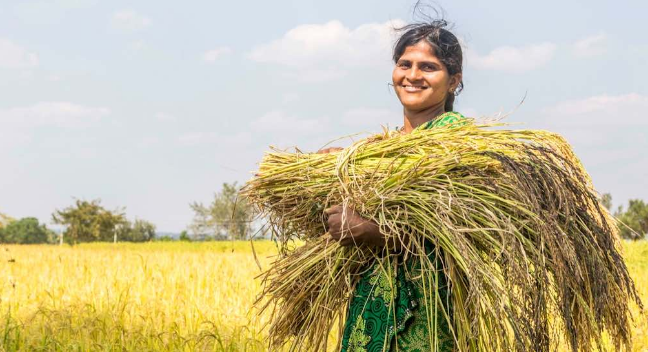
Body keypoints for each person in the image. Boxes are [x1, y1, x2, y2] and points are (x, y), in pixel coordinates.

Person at [320, 19, 464, 351]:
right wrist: (335, 170)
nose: (413, 75)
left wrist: (375, 232)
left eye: (428, 67)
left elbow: (461, 227)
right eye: (405, 64)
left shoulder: (456, 139)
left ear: (453, 81)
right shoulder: (382, 147)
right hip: (372, 306)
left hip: (426, 308)